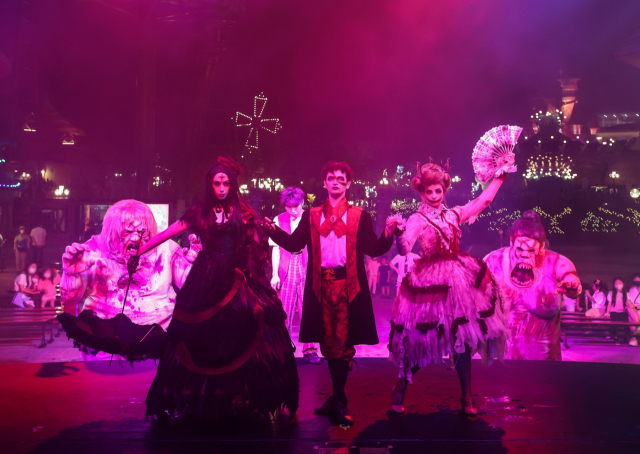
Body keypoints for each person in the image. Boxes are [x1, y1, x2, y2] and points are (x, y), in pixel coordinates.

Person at [58, 157, 299, 422]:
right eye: (216, 183)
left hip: (236, 278)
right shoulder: (201, 211)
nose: (221, 188)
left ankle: (242, 392)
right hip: (207, 278)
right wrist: (140, 250)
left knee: (246, 325)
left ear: (232, 184)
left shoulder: (242, 212)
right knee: (197, 335)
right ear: (210, 184)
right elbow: (169, 232)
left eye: (225, 183)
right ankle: (201, 397)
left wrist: (260, 249)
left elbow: (254, 240)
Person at [263, 161, 401, 426]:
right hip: (320, 288)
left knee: (342, 344)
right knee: (329, 345)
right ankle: (337, 398)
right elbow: (294, 244)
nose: (335, 181)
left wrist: (388, 235)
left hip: (348, 289)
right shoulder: (312, 215)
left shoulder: (360, 215)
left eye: (340, 177)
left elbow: (373, 248)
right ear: (324, 183)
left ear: (348, 183)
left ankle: (338, 400)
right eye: (330, 177)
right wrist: (272, 229)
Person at [389, 162, 510, 417]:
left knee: (462, 336)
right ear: (422, 192)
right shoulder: (418, 219)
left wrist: (500, 177)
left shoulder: (455, 214)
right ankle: (401, 385)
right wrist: (399, 234)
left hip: (458, 281)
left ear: (444, 190)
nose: (434, 196)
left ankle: (466, 396)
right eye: (429, 191)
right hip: (430, 284)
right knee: (424, 340)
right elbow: (405, 248)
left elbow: (484, 201)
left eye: (438, 191)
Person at [60, 200, 200, 329]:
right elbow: (69, 300)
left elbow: (194, 291)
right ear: (112, 232)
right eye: (127, 232)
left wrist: (199, 264)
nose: (135, 238)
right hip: (104, 337)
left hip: (159, 337)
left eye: (142, 232)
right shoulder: (92, 251)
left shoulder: (167, 249)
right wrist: (71, 275)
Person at [485, 211, 581, 361]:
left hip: (544, 363)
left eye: (531, 250)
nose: (524, 255)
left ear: (541, 246)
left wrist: (572, 286)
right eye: (520, 249)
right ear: (512, 242)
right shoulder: (493, 261)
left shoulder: (556, 262)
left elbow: (572, 283)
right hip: (501, 361)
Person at [269, 186, 320, 364]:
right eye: (288, 207)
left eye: (296, 206)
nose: (292, 210)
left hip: (306, 264)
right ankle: (284, 349)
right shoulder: (279, 219)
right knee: (285, 309)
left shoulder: (311, 218)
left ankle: (311, 349)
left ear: (302, 203)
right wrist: (275, 274)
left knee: (308, 309)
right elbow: (275, 249)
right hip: (287, 265)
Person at [605, 278, 633, 345]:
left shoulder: (627, 294)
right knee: (614, 323)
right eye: (616, 283)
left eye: (619, 283)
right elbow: (609, 304)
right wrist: (607, 313)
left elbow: (629, 302)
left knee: (626, 323)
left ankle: (627, 337)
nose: (618, 284)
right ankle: (615, 338)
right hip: (614, 312)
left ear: (623, 284)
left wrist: (629, 305)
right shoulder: (611, 293)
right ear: (614, 285)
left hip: (623, 311)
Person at [628, 274, 640, 346]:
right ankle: (635, 336)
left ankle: (634, 337)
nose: (636, 281)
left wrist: (636, 307)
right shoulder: (632, 289)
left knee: (630, 317)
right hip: (633, 309)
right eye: (635, 280)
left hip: (638, 309)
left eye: (638, 280)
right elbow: (629, 300)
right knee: (630, 311)